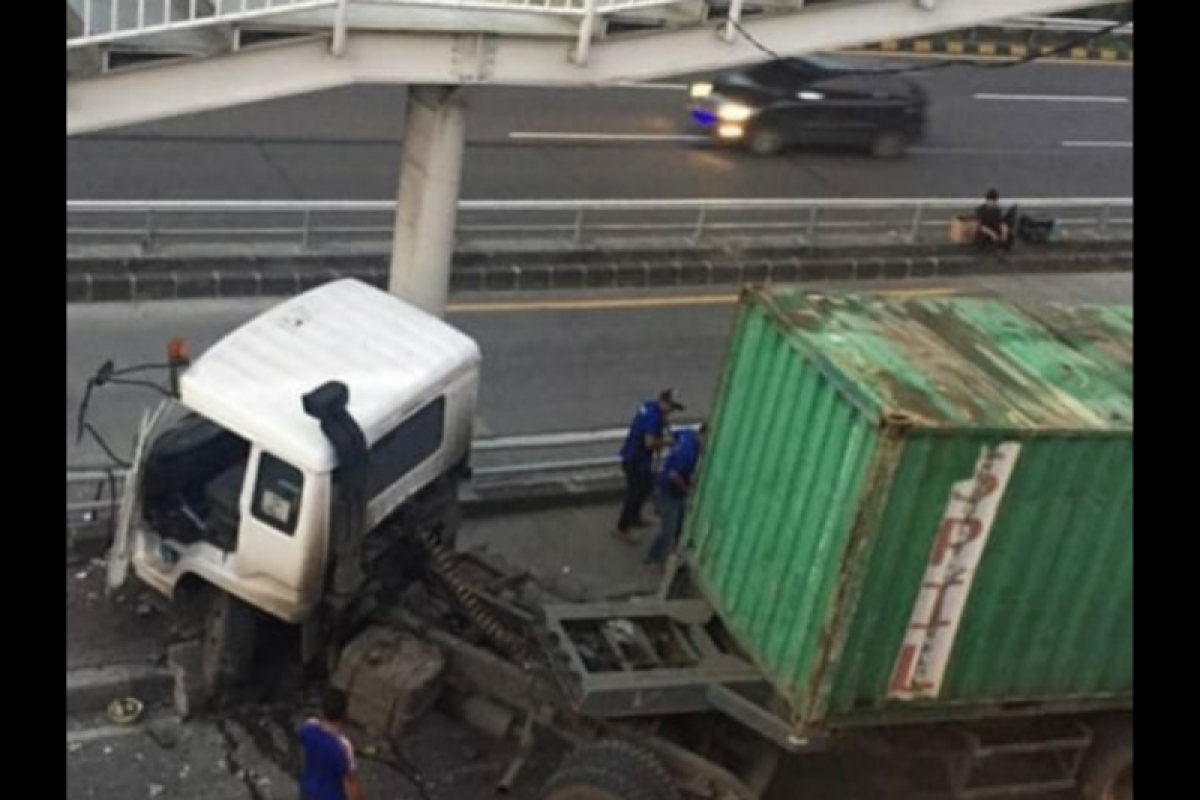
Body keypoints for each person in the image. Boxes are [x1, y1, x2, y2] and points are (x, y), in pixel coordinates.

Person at [615, 389, 684, 542]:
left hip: (636, 458)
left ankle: (635, 517)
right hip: (636, 460)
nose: (672, 412)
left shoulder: (650, 408)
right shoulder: (654, 417)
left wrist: (664, 425)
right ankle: (622, 528)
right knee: (634, 493)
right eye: (671, 408)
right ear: (664, 403)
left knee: (646, 486)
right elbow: (649, 442)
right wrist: (669, 443)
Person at [645, 423, 707, 568]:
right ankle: (654, 558)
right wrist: (688, 490)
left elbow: (674, 435)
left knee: (680, 525)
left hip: (670, 489)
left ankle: (672, 554)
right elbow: (674, 476)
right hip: (669, 492)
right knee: (669, 529)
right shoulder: (689, 452)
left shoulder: (688, 433)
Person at [298, 689, 365, 800]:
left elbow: (303, 754)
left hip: (308, 790)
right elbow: (350, 784)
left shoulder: (308, 727)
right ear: (345, 714)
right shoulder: (343, 746)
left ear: (322, 711)